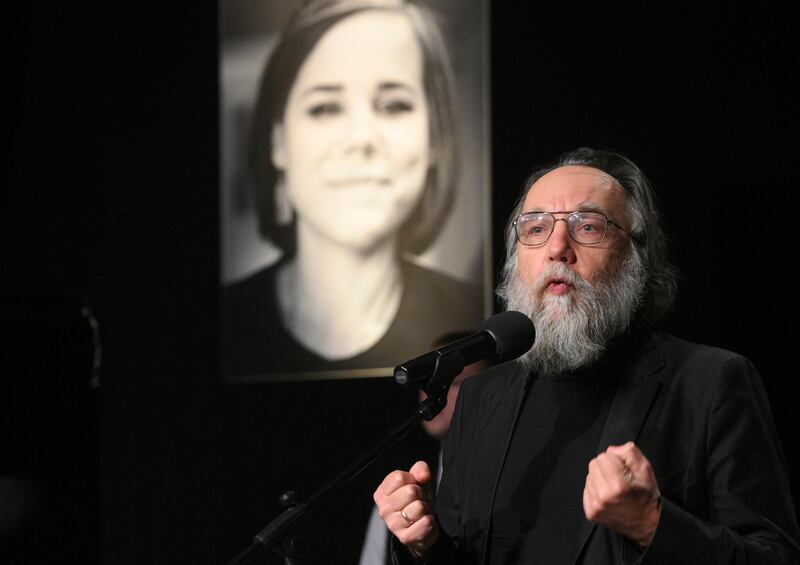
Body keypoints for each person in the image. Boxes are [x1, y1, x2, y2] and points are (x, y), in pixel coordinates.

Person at [373, 147, 800, 563]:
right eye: (536, 229)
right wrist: (423, 547)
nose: (558, 247)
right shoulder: (481, 398)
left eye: (589, 226)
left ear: (636, 257)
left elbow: (773, 554)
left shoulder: (711, 382)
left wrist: (653, 525)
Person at [221, 0, 483, 378]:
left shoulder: (480, 322)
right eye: (325, 108)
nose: (361, 138)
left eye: (393, 105)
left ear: (434, 140)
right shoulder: (225, 320)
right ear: (278, 142)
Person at [359, 332, 490, 565]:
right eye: (428, 380)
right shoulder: (402, 487)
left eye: (454, 382)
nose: (433, 391)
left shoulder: (501, 480)